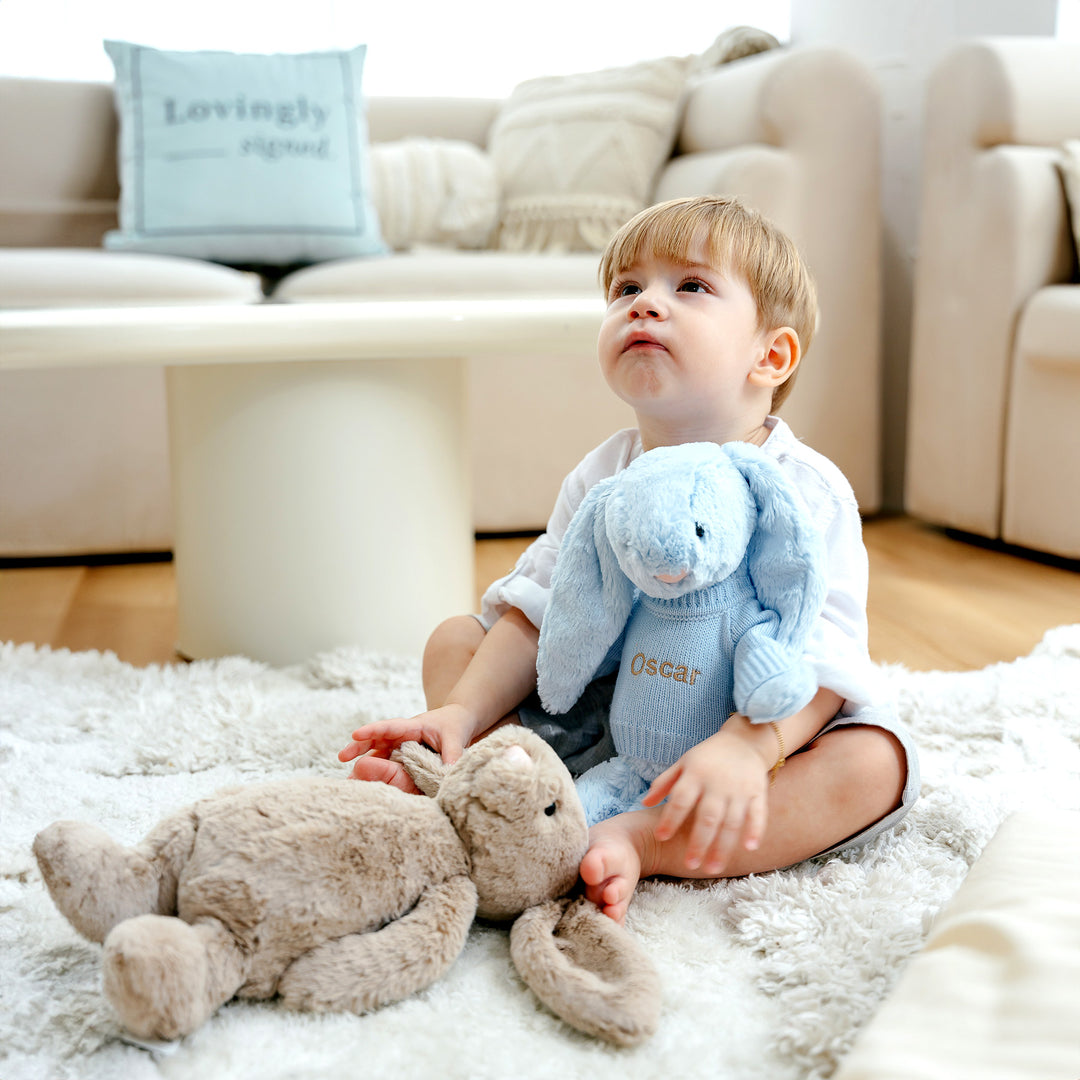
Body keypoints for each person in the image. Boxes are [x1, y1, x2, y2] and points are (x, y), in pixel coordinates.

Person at [340, 195, 919, 925]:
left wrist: (748, 745)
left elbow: (823, 654)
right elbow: (543, 612)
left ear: (769, 355)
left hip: (756, 737)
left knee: (875, 764)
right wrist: (459, 712)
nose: (646, 305)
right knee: (457, 641)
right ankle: (478, 776)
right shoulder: (603, 475)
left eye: (691, 287)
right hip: (610, 724)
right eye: (626, 289)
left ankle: (642, 839)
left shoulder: (805, 488)